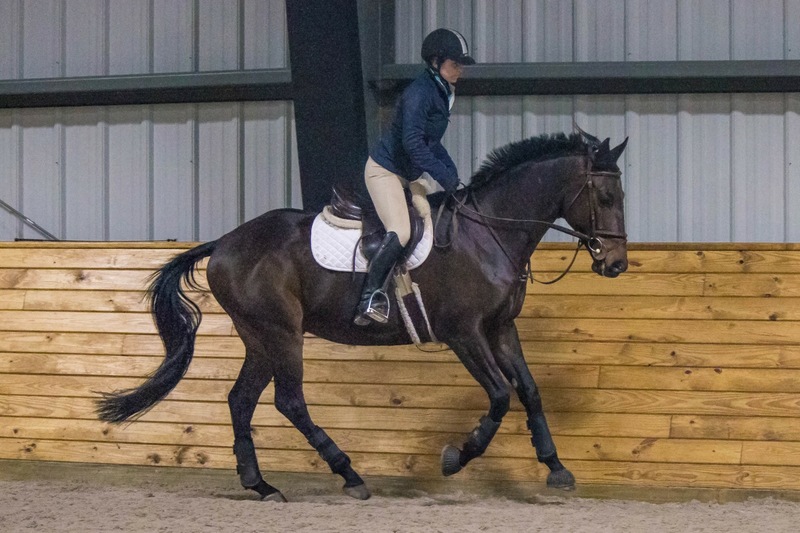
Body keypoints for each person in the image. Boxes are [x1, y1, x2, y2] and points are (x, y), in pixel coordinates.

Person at [354, 28, 475, 326]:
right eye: (454, 64)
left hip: (408, 172)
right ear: (435, 62)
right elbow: (412, 143)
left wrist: (451, 173)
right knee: (402, 231)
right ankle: (371, 297)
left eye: (461, 65)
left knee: (436, 218)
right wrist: (440, 173)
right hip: (385, 171)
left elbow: (431, 142)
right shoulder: (419, 94)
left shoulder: (442, 91)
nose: (459, 70)